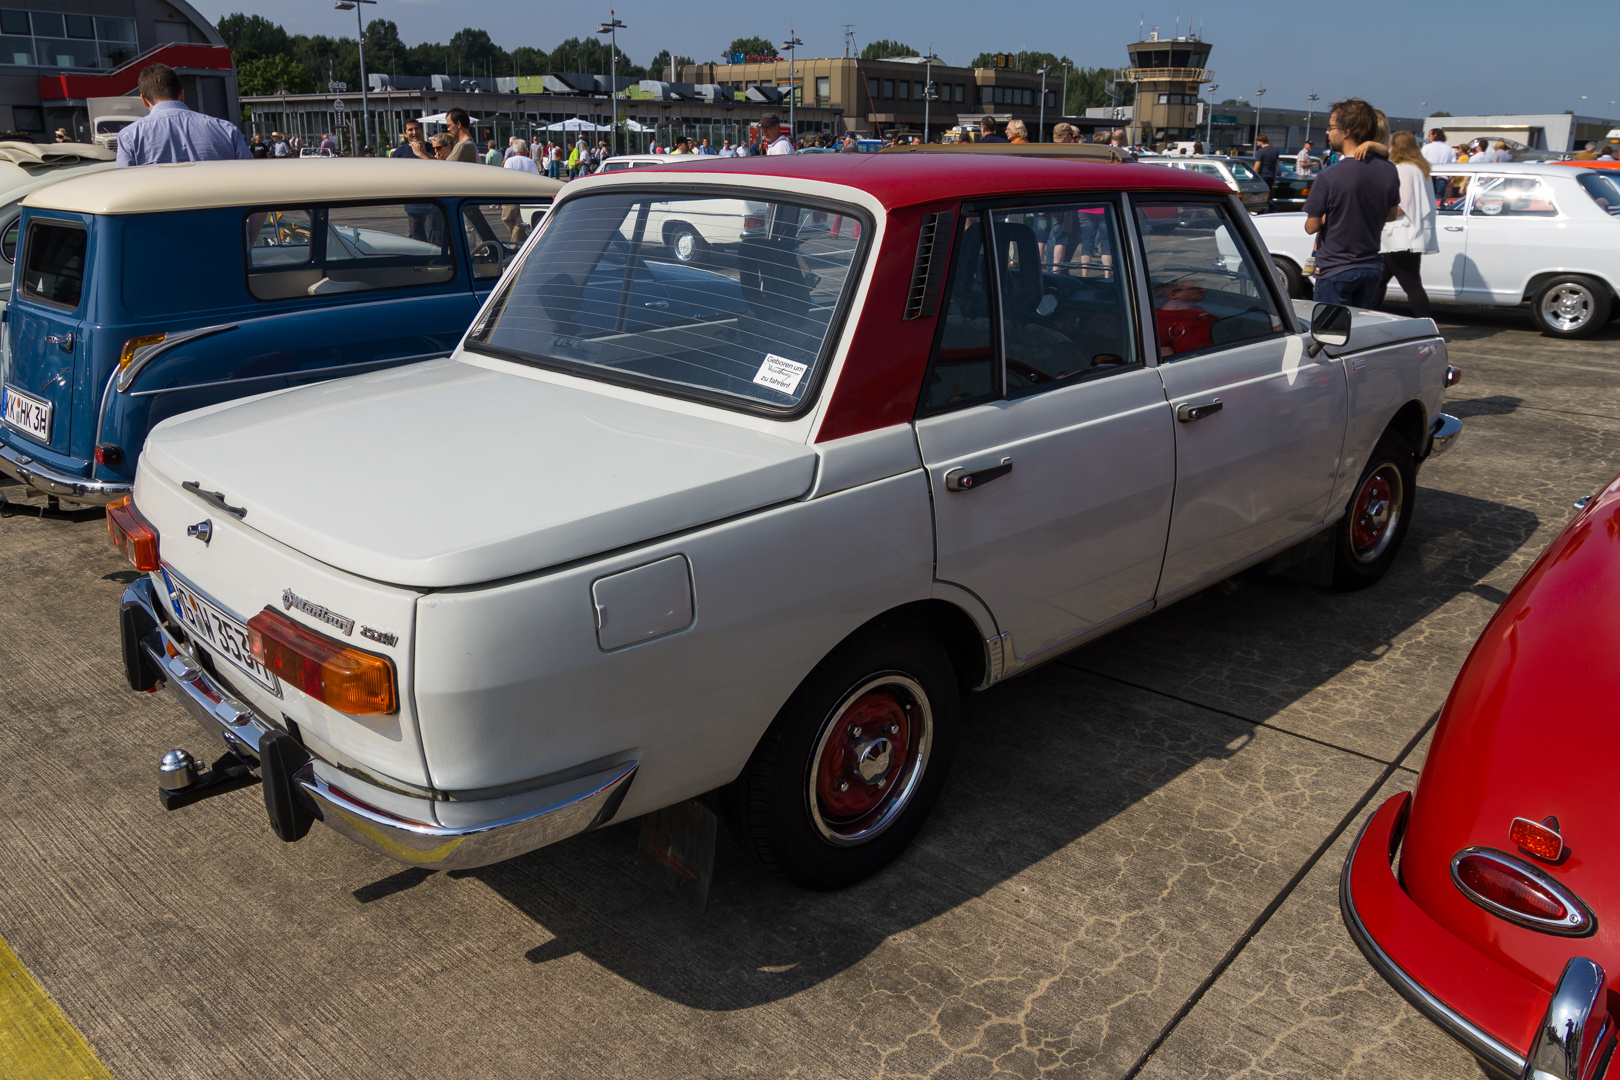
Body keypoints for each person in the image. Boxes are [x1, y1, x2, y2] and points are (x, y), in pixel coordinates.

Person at [1302, 98, 1401, 308]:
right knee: (1358, 334)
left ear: (1346, 131)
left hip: (1335, 269)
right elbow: (1391, 215)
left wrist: (1329, 216)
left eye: (1331, 127)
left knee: (1330, 335)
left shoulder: (1329, 176)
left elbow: (1311, 227)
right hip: (1370, 267)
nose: (1328, 132)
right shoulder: (1389, 170)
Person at [116, 63, 251, 166]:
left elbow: (123, 189)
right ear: (182, 94)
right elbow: (251, 177)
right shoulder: (226, 130)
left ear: (144, 100)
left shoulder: (130, 137)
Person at [1375, 130, 1439, 319]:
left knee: (1411, 285)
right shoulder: (1421, 168)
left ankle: (1428, 326)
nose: (1389, 148)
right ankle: (1362, 319)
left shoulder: (1403, 168)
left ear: (1397, 147)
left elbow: (1402, 204)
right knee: (1380, 281)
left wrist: (1378, 214)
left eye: (1391, 144)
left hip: (1400, 237)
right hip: (1410, 236)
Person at [1153, 279, 1218, 356]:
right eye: (1196, 288)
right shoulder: (1158, 318)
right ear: (1173, 295)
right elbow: (1167, 357)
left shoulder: (1196, 309)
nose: (1204, 289)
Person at [1254, 133, 1281, 207]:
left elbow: (1257, 166)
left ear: (1261, 141)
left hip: (1262, 176)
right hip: (1271, 176)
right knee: (1268, 194)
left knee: (1262, 195)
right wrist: (1274, 178)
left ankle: (1270, 209)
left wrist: (1253, 176)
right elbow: (1277, 165)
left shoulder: (1261, 152)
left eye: (1257, 142)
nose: (1257, 144)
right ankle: (1268, 209)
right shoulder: (1275, 151)